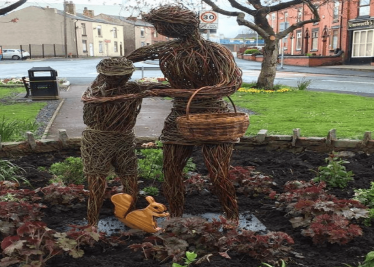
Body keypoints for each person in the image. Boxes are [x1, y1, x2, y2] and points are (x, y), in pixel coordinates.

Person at [127, 5, 243, 220]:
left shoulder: (216, 51)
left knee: (218, 174)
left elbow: (230, 85)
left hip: (214, 118)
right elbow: (130, 59)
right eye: (158, 27)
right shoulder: (168, 49)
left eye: (162, 27)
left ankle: (232, 216)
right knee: (171, 171)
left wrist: (172, 91)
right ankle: (176, 216)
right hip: (180, 117)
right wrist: (116, 72)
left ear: (177, 25)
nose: (161, 31)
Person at [81, 57, 142, 225]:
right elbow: (88, 117)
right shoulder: (95, 94)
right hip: (98, 140)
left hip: (121, 139)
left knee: (130, 178)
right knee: (97, 182)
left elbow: (87, 117)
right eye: (114, 76)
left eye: (122, 76)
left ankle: (130, 217)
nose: (118, 80)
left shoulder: (131, 89)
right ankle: (92, 223)